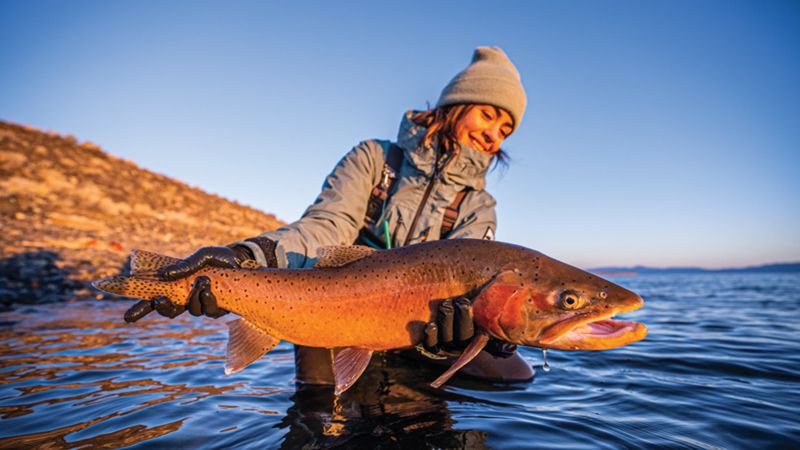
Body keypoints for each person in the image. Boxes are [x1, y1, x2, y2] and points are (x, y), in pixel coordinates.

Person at [125, 46, 534, 384]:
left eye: (505, 129)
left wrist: (463, 337)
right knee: (318, 414)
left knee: (516, 376)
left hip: (416, 328)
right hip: (331, 307)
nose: (493, 135)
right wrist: (246, 257)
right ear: (454, 106)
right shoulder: (374, 159)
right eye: (488, 115)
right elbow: (323, 228)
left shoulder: (479, 207)